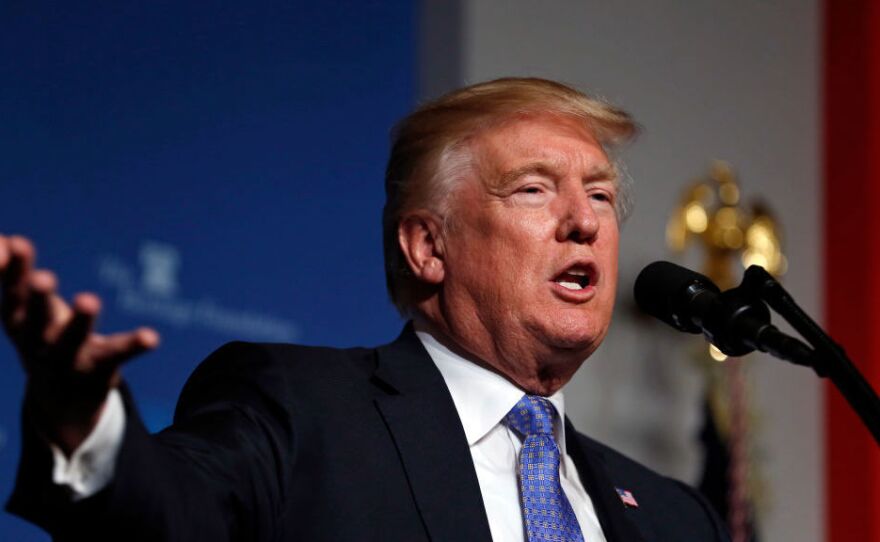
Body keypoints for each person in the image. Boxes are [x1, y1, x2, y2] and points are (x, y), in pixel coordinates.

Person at [1, 78, 730, 541]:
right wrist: (87, 429)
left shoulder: (676, 518)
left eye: (601, 195)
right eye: (534, 190)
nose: (585, 222)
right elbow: (170, 516)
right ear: (426, 247)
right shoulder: (302, 411)